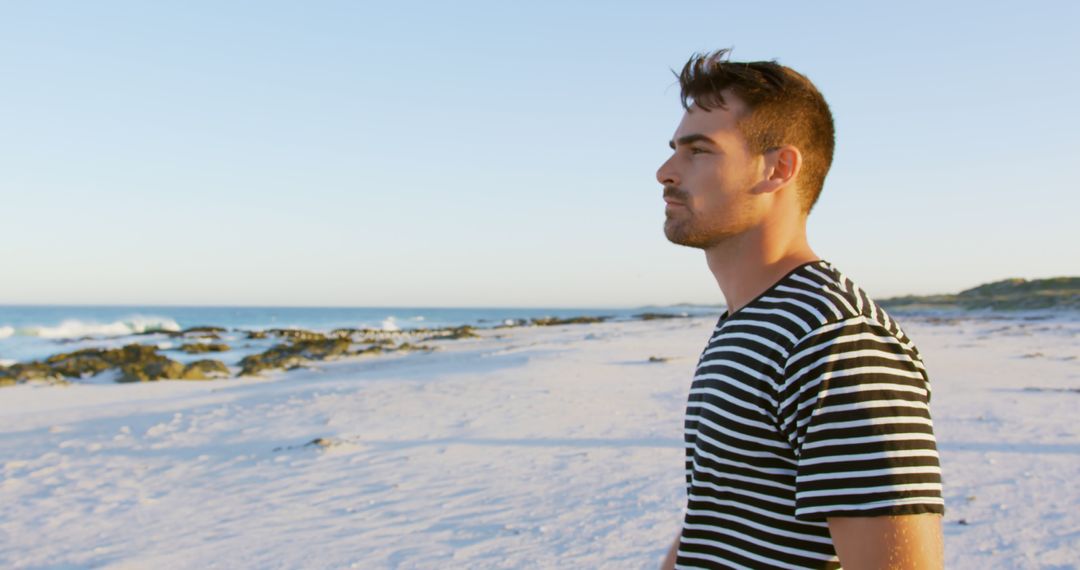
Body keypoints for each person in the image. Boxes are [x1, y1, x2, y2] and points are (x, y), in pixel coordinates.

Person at [656, 49, 945, 569]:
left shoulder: (835, 340)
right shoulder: (750, 322)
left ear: (777, 168)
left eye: (698, 151)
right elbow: (719, 510)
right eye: (674, 149)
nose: (664, 172)